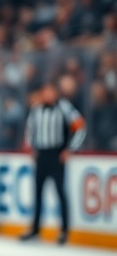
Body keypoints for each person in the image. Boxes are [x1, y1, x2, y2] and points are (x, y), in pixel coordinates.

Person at [19, 81, 86, 245]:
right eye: (45, 91)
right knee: (37, 194)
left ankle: (64, 231)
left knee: (60, 193)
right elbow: (30, 130)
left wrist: (70, 149)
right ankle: (35, 229)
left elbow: (80, 126)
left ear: (56, 93)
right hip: (41, 155)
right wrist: (30, 148)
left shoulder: (64, 107)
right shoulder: (36, 109)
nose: (47, 95)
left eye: (50, 91)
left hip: (56, 155)